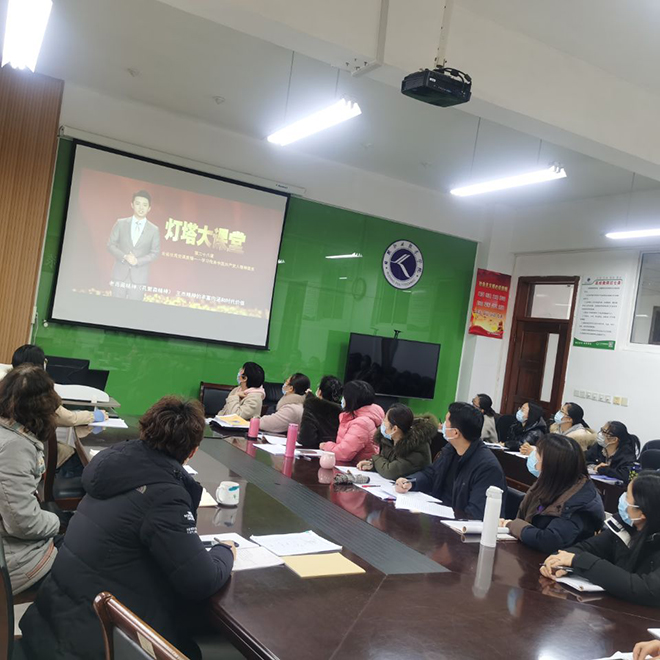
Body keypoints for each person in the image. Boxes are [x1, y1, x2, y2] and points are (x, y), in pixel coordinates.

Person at [20, 396, 235, 660]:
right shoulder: (163, 495)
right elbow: (201, 580)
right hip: (95, 643)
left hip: (55, 622)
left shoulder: (115, 467)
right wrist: (225, 552)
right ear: (192, 451)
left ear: (145, 431)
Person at [540, 471, 660, 608]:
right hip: (614, 610)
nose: (622, 499)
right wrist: (560, 563)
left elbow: (645, 590)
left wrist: (579, 562)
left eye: (627, 496)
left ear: (642, 513)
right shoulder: (624, 527)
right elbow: (583, 549)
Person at [0, 365, 61, 594]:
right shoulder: (14, 448)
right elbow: (22, 524)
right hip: (11, 560)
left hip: (9, 544)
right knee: (83, 569)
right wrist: (56, 521)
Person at [4, 344, 108, 472]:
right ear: (39, 365)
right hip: (34, 454)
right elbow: (70, 419)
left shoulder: (6, 386)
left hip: (14, 452)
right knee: (87, 462)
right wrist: (94, 416)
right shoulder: (37, 391)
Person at [395, 402, 507, 519]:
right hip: (439, 517)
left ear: (455, 432)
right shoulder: (451, 450)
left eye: (446, 422)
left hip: (458, 524)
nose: (442, 425)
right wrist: (411, 482)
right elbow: (432, 474)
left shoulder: (487, 468)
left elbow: (477, 515)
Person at [502, 434, 605, 553]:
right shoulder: (548, 483)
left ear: (551, 465)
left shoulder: (580, 502)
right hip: (528, 550)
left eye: (537, 455)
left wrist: (512, 525)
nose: (533, 458)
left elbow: (549, 541)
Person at [357, 404, 438, 480]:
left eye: (385, 420)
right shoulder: (388, 439)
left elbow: (390, 472)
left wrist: (375, 460)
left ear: (395, 429)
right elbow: (384, 462)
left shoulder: (416, 445)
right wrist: (371, 464)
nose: (382, 423)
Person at [107, 190, 161, 301]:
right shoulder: (121, 223)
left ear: (149, 208)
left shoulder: (154, 230)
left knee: (134, 309)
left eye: (145, 205)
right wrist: (124, 256)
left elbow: (155, 253)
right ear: (132, 205)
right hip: (119, 275)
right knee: (114, 307)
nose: (141, 208)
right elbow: (110, 245)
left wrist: (137, 261)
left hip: (139, 278)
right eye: (138, 204)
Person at [320, 380, 383, 462]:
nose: (342, 399)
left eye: (344, 396)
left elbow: (343, 453)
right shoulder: (355, 416)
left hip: (356, 467)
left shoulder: (362, 423)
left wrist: (326, 446)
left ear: (351, 399)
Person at [298, 375, 342, 448]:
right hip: (334, 451)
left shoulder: (312, 406)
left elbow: (306, 438)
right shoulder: (344, 412)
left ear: (320, 392)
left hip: (313, 451)